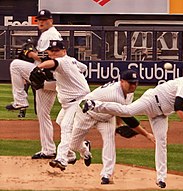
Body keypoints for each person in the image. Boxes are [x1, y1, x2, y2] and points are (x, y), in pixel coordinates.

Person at [83, 65, 183, 188]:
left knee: (161, 142)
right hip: (152, 100)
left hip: (161, 115)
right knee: (127, 111)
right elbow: (178, 104)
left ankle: (161, 178)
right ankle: (94, 104)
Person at [52, 69, 154, 184]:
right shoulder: (115, 94)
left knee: (109, 141)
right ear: (122, 81)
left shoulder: (129, 93)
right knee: (74, 145)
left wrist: (118, 125)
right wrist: (147, 134)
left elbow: (121, 111)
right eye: (130, 83)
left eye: (135, 83)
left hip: (106, 118)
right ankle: (85, 149)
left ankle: (107, 175)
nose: (133, 86)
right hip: (87, 115)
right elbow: (128, 117)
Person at [5, 9, 63, 159]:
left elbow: (51, 55)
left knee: (15, 65)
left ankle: (20, 102)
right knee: (43, 115)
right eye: (39, 19)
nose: (41, 22)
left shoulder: (51, 34)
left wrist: (31, 54)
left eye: (44, 19)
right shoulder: (47, 34)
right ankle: (48, 150)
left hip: (48, 75)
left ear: (51, 20)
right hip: (51, 81)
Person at [34, 40, 91, 170]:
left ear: (64, 52)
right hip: (69, 103)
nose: (54, 53)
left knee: (66, 126)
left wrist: (39, 67)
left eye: (57, 51)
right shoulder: (71, 60)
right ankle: (82, 149)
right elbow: (84, 68)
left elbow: (53, 63)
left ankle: (62, 159)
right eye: (51, 51)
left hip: (79, 101)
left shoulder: (63, 61)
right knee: (60, 121)